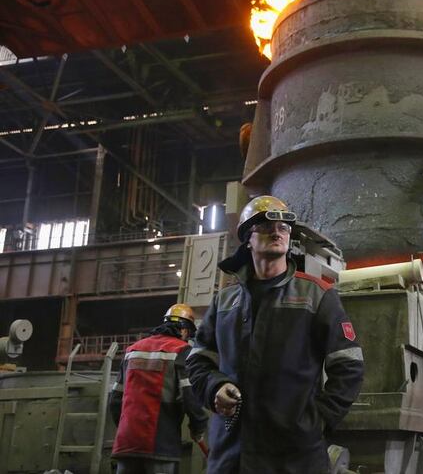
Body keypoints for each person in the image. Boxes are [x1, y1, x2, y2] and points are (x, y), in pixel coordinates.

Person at [187, 195, 364, 473]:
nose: (277, 231)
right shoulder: (225, 302)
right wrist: (214, 387)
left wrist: (316, 420)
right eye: (266, 226)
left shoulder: (316, 295)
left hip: (294, 457)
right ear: (247, 237)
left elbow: (349, 364)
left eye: (283, 227)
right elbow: (198, 360)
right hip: (232, 456)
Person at [109, 303, 208, 474]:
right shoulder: (182, 351)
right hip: (161, 444)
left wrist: (128, 429)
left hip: (127, 444)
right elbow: (190, 397)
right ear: (184, 330)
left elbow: (115, 400)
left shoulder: (132, 351)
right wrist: (198, 427)